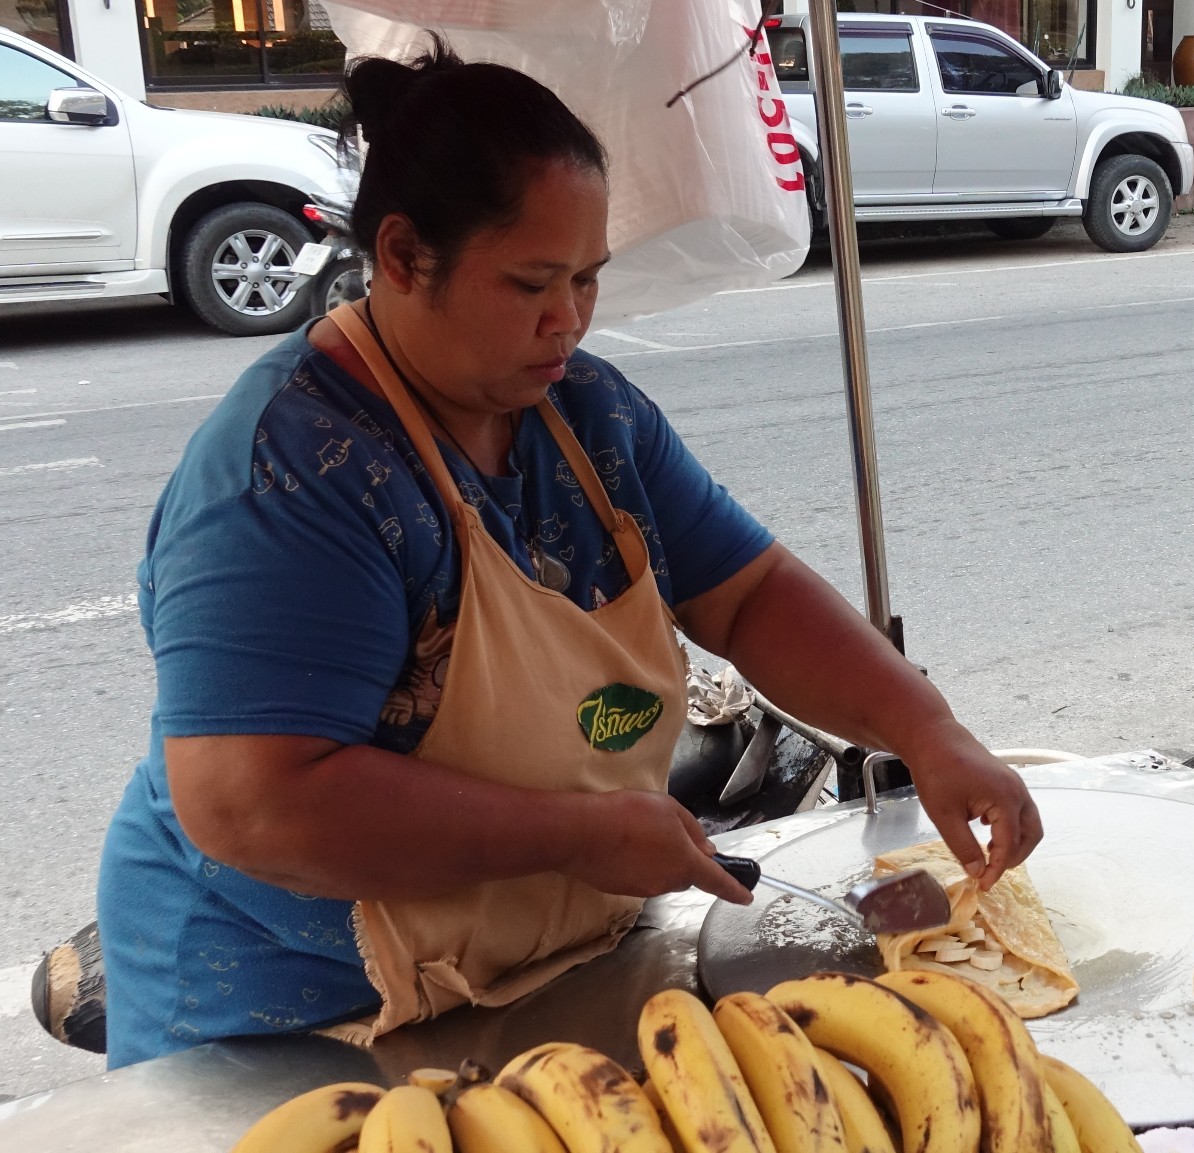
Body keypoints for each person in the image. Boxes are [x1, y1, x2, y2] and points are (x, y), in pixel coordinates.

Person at [94, 41, 1042, 1067]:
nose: (569, 321)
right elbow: (254, 801)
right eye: (531, 283)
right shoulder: (289, 472)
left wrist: (925, 726)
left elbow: (750, 593)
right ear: (405, 255)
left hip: (541, 958)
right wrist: (576, 837)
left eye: (587, 278)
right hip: (286, 1010)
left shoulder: (587, 415)